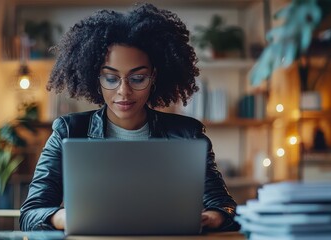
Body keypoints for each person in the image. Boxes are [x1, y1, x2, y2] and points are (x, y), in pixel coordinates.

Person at [20, 3, 240, 232]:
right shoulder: (68, 131)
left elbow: (225, 207)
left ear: (154, 76)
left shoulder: (187, 134)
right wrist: (66, 218)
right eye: (111, 78)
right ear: (95, 78)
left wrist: (211, 218)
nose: (124, 91)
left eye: (137, 78)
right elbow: (31, 214)